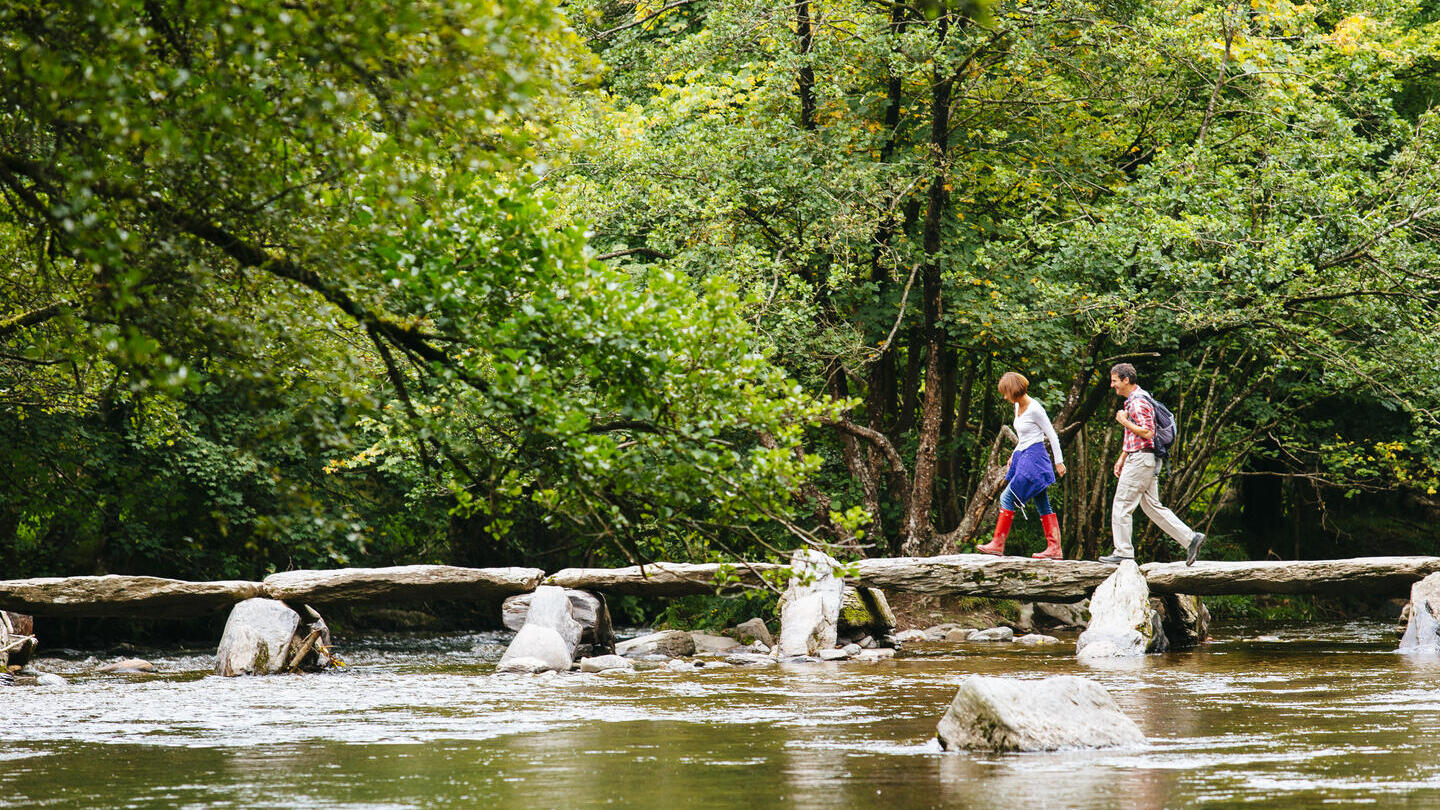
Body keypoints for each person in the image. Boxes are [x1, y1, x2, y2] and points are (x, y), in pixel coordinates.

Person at [1100, 363, 1207, 566]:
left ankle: (1123, 552)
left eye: (1115, 380)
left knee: (1122, 504)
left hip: (1140, 460)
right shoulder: (1138, 399)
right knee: (1152, 507)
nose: (1112, 385)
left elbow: (1148, 432)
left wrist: (1123, 421)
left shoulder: (1137, 402)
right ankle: (1191, 538)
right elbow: (1138, 435)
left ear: (1126, 380)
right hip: (1144, 458)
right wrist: (1122, 458)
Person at [976, 371, 1067, 559]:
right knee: (1042, 502)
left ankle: (997, 544)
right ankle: (1054, 547)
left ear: (1014, 390)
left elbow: (1051, 434)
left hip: (1035, 457)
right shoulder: (1017, 406)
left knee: (1007, 497)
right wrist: (1014, 454)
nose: (1004, 396)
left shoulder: (1035, 408)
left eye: (1006, 392)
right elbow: (1024, 437)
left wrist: (1059, 461)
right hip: (1024, 455)